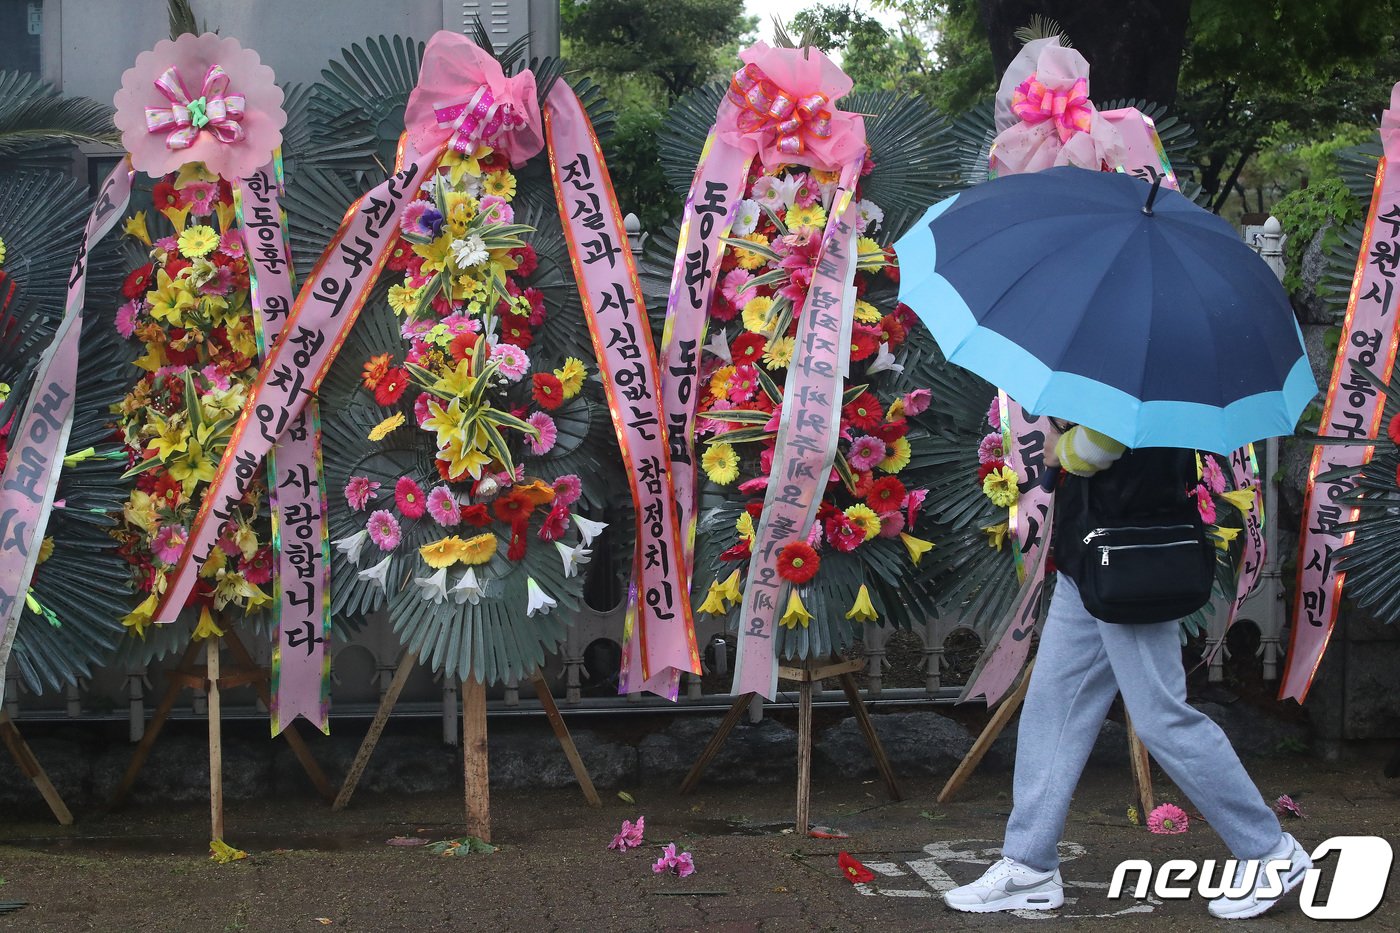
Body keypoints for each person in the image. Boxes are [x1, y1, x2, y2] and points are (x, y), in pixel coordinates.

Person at [943, 421, 1310, 919]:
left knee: (1162, 716)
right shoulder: (1145, 357)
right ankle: (1029, 864)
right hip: (1094, 559)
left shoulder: (1150, 355)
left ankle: (1271, 852)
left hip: (1131, 561)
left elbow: (1105, 439)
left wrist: (1060, 451)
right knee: (1054, 706)